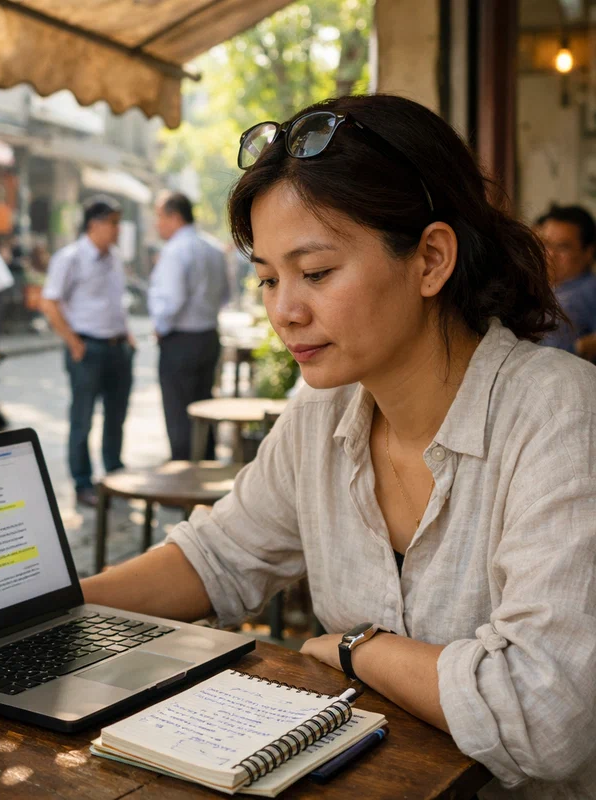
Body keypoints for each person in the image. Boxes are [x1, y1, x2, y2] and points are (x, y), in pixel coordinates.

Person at [81, 95, 596, 799]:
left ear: (431, 259)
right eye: (268, 278)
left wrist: (358, 648)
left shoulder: (559, 411)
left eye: (316, 272)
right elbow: (220, 557)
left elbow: (545, 711)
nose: (284, 310)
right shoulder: (321, 414)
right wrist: (62, 605)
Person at [40, 196, 135, 508]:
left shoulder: (114, 258)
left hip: (117, 347)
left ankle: (114, 474)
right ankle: (82, 483)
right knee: (82, 419)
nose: (117, 230)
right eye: (113, 223)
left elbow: (116, 302)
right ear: (94, 225)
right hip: (87, 348)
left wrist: (128, 336)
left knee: (116, 416)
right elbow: (50, 303)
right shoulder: (70, 258)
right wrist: (73, 342)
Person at [149, 192, 229, 460]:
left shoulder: (175, 250)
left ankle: (184, 477)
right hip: (208, 337)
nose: (156, 224)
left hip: (181, 341)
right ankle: (206, 465)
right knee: (204, 407)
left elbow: (172, 300)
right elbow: (226, 295)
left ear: (174, 217)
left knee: (179, 413)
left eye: (159, 217)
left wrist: (160, 327)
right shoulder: (214, 248)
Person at [535, 204, 596, 361]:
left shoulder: (590, 289)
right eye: (546, 244)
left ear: (588, 252)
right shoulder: (539, 288)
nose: (550, 255)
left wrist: (581, 348)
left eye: (563, 247)